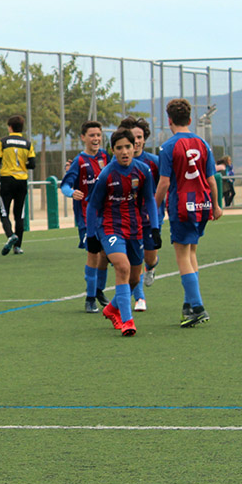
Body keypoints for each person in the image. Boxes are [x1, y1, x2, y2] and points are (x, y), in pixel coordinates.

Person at [154, 98, 222, 328]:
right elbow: (212, 179)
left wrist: (154, 208)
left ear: (169, 120)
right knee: (191, 252)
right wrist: (216, 205)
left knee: (182, 255)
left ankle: (198, 306)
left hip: (182, 205)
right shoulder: (203, 144)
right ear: (190, 120)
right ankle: (189, 306)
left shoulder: (168, 146)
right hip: (202, 205)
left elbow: (164, 183)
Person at [85, 128, 160, 337]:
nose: (125, 151)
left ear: (134, 147)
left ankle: (111, 309)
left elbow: (150, 200)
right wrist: (91, 236)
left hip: (135, 228)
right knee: (122, 267)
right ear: (113, 150)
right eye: (119, 148)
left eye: (128, 146)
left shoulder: (143, 170)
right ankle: (127, 321)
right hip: (110, 227)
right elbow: (92, 207)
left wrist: (154, 228)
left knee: (135, 278)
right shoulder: (107, 174)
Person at [60, 120, 111, 312]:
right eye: (92, 135)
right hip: (86, 217)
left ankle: (98, 290)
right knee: (93, 255)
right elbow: (65, 185)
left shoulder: (106, 156)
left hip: (106, 215)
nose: (96, 138)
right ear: (83, 138)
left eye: (98, 135)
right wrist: (71, 192)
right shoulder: (79, 162)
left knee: (106, 255)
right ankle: (90, 299)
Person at [121, 116, 162, 312]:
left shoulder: (154, 162)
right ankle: (139, 298)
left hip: (150, 219)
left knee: (148, 257)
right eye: (132, 137)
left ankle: (153, 266)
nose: (136, 141)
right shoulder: (118, 161)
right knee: (131, 260)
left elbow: (165, 185)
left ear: (144, 138)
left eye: (139, 137)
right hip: (128, 220)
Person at [0, 115, 35, 255]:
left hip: (7, 179)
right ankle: (18, 246)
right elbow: (32, 165)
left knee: (4, 212)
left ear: (10, 127)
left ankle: (11, 236)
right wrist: (22, 165)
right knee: (19, 214)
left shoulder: (3, 142)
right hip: (22, 181)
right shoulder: (28, 143)